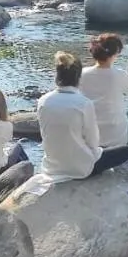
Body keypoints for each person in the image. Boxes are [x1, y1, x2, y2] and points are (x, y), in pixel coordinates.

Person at [81, 33, 128, 162]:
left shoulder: (82, 74)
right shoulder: (118, 75)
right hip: (117, 139)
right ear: (116, 52)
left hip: (90, 137)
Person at [34, 52, 102, 183]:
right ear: (78, 77)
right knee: (124, 152)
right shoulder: (84, 103)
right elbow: (93, 141)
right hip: (80, 169)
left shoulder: (43, 101)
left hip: (51, 167)